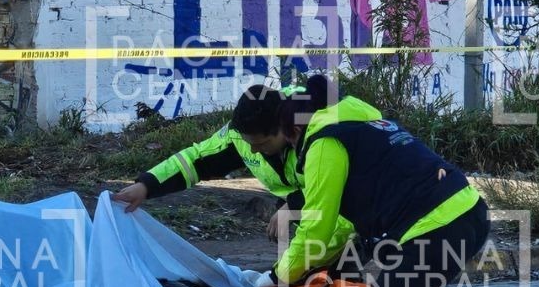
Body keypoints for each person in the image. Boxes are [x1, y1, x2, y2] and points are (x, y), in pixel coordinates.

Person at [255, 75, 522, 287]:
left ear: (295, 130)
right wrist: (306, 266)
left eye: (290, 144)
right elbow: (340, 224)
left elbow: (316, 225)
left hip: (435, 230)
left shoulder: (324, 142)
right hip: (465, 215)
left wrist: (278, 275)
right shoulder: (361, 123)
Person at [113, 84, 371, 251]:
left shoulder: (322, 125)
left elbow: (338, 179)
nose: (254, 151)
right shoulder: (243, 134)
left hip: (366, 206)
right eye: (250, 144)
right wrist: (146, 185)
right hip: (327, 218)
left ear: (287, 128)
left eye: (262, 143)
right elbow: (195, 159)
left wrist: (293, 205)